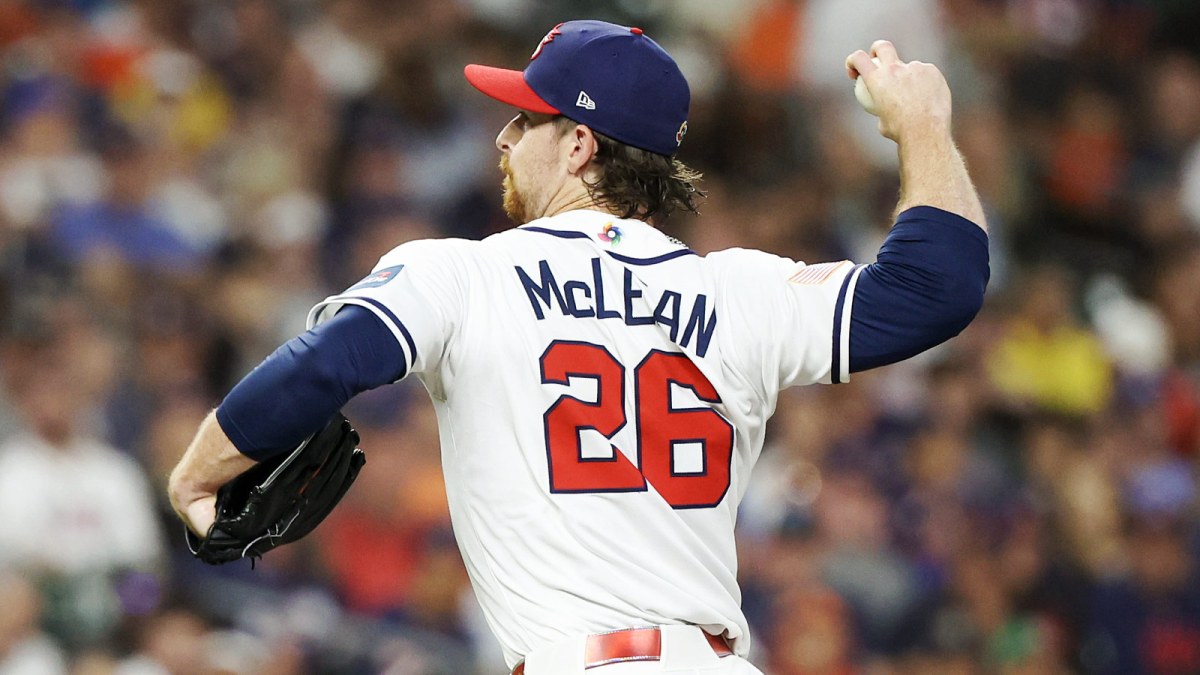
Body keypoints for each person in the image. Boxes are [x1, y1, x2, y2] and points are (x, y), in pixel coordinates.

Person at [168, 19, 989, 675]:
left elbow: (326, 362)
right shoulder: (739, 292)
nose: (502, 138)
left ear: (578, 145)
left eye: (525, 118)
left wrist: (199, 472)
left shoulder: (464, 273)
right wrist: (921, 126)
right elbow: (937, 289)